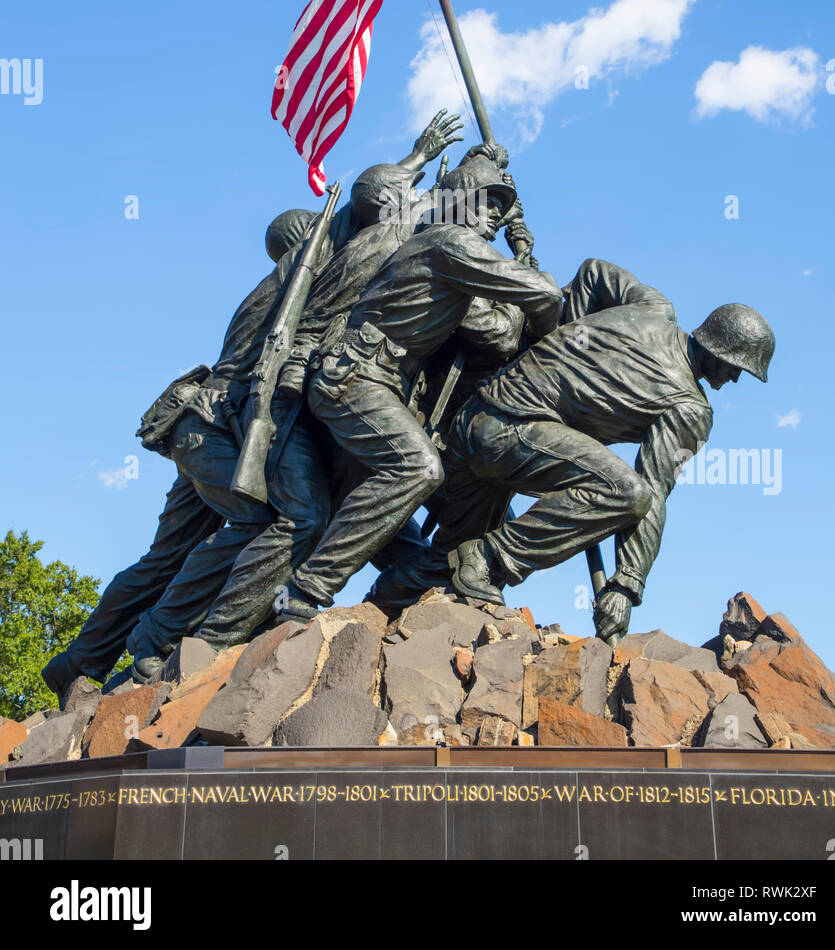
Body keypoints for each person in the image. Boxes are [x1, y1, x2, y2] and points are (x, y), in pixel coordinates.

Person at [42, 112, 462, 697]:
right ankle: (157, 649)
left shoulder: (294, 286)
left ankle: (83, 660)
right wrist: (427, 170)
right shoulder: (297, 281)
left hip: (214, 425)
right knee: (282, 518)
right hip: (219, 425)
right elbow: (368, 212)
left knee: (169, 557)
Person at [279, 155, 562, 622]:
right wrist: (545, 332)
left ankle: (401, 601)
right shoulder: (451, 244)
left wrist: (520, 253)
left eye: (502, 208)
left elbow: (498, 324)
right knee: (419, 469)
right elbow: (539, 301)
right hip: (357, 376)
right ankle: (303, 593)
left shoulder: (447, 250)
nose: (495, 215)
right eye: (489, 204)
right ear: (461, 204)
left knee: (435, 510)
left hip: (382, 384)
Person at [435, 258, 775, 643]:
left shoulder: (653, 307)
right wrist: (626, 585)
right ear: (720, 350)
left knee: (440, 567)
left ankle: (393, 602)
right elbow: (650, 493)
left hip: (473, 419)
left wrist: (563, 343)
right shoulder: (691, 408)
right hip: (510, 437)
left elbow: (593, 273)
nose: (732, 378)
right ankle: (490, 557)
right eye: (736, 368)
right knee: (626, 493)